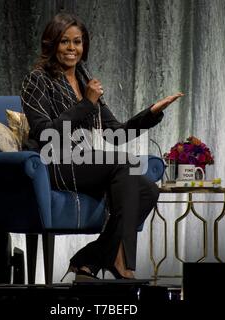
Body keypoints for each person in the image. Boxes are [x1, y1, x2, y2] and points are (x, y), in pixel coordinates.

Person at [20, 13, 183, 281]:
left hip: (84, 160)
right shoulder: (37, 79)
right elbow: (44, 133)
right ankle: (122, 264)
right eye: (65, 42)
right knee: (127, 165)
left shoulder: (85, 82)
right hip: (54, 162)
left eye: (77, 42)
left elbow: (116, 135)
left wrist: (151, 113)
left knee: (148, 190)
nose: (72, 48)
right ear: (52, 44)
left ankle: (87, 261)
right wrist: (86, 103)